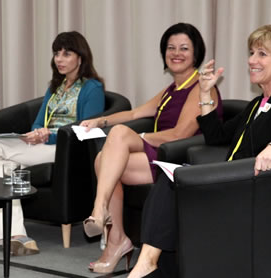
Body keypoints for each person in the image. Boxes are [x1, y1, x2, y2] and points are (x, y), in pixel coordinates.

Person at [128, 24, 271, 278]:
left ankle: (146, 268)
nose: (252, 60)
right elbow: (216, 135)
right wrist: (205, 93)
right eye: (251, 53)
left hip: (256, 190)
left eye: (262, 54)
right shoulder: (257, 105)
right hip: (237, 183)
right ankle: (149, 267)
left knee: (172, 185)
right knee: (170, 183)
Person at [0, 31, 106, 256]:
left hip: (66, 150)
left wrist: (49, 136)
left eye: (67, 54)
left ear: (81, 58)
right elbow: (38, 121)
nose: (60, 59)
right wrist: (34, 134)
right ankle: (14, 236)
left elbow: (85, 128)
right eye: (56, 54)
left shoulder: (92, 88)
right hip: (41, 146)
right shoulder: (56, 86)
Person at [79, 23, 223, 274]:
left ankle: (107, 226)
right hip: (158, 155)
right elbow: (136, 112)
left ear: (196, 53)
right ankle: (116, 237)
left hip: (180, 160)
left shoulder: (200, 88)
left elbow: (180, 135)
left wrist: (141, 136)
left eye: (184, 48)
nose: (176, 53)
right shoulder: (171, 89)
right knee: (104, 159)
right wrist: (99, 121)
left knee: (119, 139)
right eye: (171, 48)